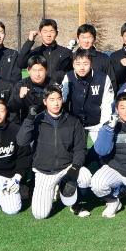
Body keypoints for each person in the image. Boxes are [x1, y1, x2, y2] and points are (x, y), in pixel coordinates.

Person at [16, 85, 93, 219]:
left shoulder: (73, 121)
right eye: (52, 100)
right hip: (44, 171)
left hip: (66, 167)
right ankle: (56, 190)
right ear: (45, 102)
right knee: (40, 214)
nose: (56, 103)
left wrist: (75, 166)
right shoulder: (37, 120)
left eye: (58, 99)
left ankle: (75, 202)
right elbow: (21, 141)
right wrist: (29, 118)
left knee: (85, 176)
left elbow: (80, 148)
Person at [60, 48, 114, 143]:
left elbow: (107, 104)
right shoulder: (68, 77)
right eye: (78, 64)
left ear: (91, 64)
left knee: (99, 149)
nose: (82, 68)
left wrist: (103, 125)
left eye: (85, 64)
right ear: (73, 65)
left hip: (96, 124)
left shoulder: (103, 78)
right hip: (75, 123)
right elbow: (62, 98)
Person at [8, 55, 57, 122]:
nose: (37, 74)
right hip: (28, 122)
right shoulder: (22, 85)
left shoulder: (53, 85)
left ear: (46, 70)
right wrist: (20, 97)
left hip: (49, 123)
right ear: (28, 70)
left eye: (40, 70)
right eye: (34, 70)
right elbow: (11, 108)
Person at [72, 23, 117, 91]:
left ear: (94, 39)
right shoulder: (71, 58)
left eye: (89, 37)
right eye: (83, 37)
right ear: (78, 38)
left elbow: (112, 82)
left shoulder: (104, 58)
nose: (86, 41)